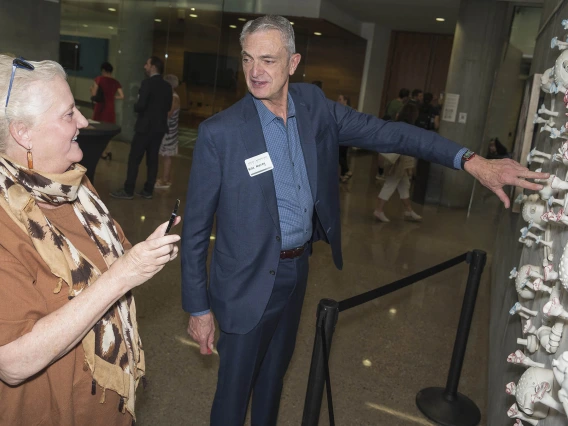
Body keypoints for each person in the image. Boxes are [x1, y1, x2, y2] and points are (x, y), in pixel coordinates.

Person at [181, 15, 546, 426]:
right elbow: (194, 230)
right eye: (247, 59)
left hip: (296, 270)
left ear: (294, 62)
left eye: (267, 60)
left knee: (273, 381)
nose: (254, 72)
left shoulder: (315, 108)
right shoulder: (221, 132)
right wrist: (198, 308)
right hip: (243, 283)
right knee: (232, 397)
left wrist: (471, 161)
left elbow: (392, 134)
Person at [0, 55, 180, 425]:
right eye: (68, 114)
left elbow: (105, 258)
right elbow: (13, 362)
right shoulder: (6, 219)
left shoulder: (71, 186)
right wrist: (124, 275)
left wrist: (141, 254)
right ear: (23, 132)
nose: (83, 121)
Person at [111, 56, 173, 200]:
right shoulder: (167, 86)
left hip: (144, 127)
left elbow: (141, 105)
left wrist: (135, 104)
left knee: (134, 159)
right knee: (152, 160)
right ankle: (148, 190)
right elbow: (168, 107)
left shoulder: (147, 83)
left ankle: (128, 190)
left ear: (153, 67)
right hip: (159, 129)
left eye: (147, 64)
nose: (145, 67)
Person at [373, 103, 423, 222]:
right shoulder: (409, 128)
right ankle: (379, 210)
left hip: (397, 160)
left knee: (404, 185)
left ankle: (409, 210)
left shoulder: (396, 124)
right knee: (391, 184)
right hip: (399, 162)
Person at [91, 62, 124, 161]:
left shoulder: (99, 79)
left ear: (103, 70)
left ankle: (100, 151)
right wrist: (113, 97)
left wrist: (91, 89)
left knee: (97, 128)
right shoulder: (115, 82)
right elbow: (122, 96)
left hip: (100, 107)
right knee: (108, 130)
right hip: (110, 108)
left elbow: (94, 94)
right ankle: (108, 151)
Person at [155, 74, 181, 189]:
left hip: (169, 131)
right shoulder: (171, 96)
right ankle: (165, 178)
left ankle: (165, 180)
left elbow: (169, 114)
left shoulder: (174, 98)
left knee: (167, 156)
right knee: (165, 155)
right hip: (169, 130)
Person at [337, 93, 352, 182]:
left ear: (345, 101)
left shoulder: (345, 110)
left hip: (344, 135)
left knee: (339, 155)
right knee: (343, 155)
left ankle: (347, 170)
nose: (338, 101)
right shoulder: (349, 110)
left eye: (340, 99)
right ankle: (343, 175)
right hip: (346, 136)